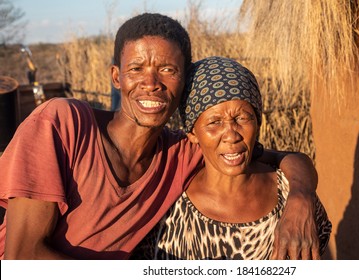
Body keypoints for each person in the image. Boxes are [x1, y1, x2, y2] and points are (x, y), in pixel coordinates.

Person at [0, 13, 319, 260]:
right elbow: (22, 259)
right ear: (116, 77)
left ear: (183, 84)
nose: (151, 82)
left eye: (168, 69)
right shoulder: (62, 124)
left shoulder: (183, 151)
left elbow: (285, 158)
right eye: (136, 68)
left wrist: (301, 197)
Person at [131, 56, 331, 260]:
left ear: (258, 121)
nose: (232, 135)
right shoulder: (166, 206)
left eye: (242, 118)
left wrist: (301, 196)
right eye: (214, 122)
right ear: (192, 133)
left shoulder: (294, 200)